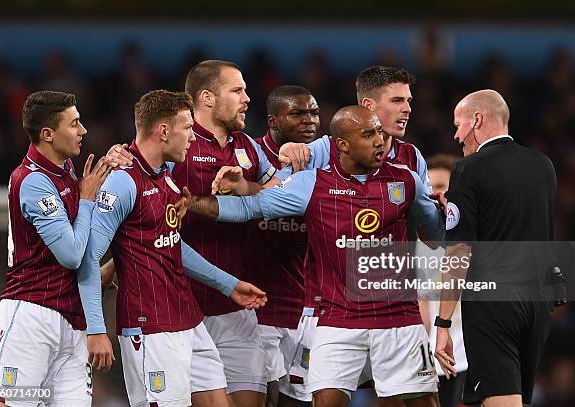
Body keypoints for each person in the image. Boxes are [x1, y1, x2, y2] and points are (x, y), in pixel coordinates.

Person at [187, 105, 444, 407]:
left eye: (378, 132)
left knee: (423, 403)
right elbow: (248, 208)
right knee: (325, 401)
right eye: (368, 134)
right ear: (343, 145)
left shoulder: (407, 181)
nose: (379, 140)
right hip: (338, 319)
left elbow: (436, 235)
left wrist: (445, 212)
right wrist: (190, 202)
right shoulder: (312, 184)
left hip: (399, 319)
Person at [77, 90, 267, 407]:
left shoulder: (167, 176)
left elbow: (171, 245)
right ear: (164, 131)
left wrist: (228, 284)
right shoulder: (122, 182)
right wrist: (96, 329)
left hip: (189, 318)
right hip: (150, 327)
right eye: (188, 128)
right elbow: (88, 258)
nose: (193, 138)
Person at [0, 91, 114, 407]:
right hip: (32, 316)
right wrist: (86, 199)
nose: (83, 131)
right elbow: (70, 254)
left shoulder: (66, 168)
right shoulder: (32, 181)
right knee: (16, 404)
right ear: (47, 134)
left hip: (72, 321)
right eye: (74, 124)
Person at [434, 89, 557, 407]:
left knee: (502, 401)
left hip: (492, 304)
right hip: (537, 304)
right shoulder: (543, 166)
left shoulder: (468, 168)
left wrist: (443, 324)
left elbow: (459, 251)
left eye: (459, 125)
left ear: (477, 119)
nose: (457, 135)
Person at [172, 60, 285, 406]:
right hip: (183, 308)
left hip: (237, 308)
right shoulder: (178, 147)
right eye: (237, 91)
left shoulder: (249, 148)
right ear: (206, 97)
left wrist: (245, 186)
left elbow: (280, 196)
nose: (247, 98)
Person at [254, 85, 319, 407]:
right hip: (256, 306)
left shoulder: (326, 164)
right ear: (273, 121)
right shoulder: (251, 157)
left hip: (307, 307)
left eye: (314, 113)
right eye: (297, 113)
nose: (309, 121)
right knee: (264, 398)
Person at [279, 66, 430, 194]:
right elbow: (271, 193)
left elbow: (427, 220)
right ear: (368, 105)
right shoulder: (323, 151)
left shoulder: (412, 157)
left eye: (408, 101)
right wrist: (288, 151)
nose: (408, 109)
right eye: (397, 100)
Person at [416, 154, 468, 407]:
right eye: (429, 189)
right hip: (430, 359)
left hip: (471, 355)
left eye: (441, 187)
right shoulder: (417, 244)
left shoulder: (476, 238)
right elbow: (420, 303)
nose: (434, 195)